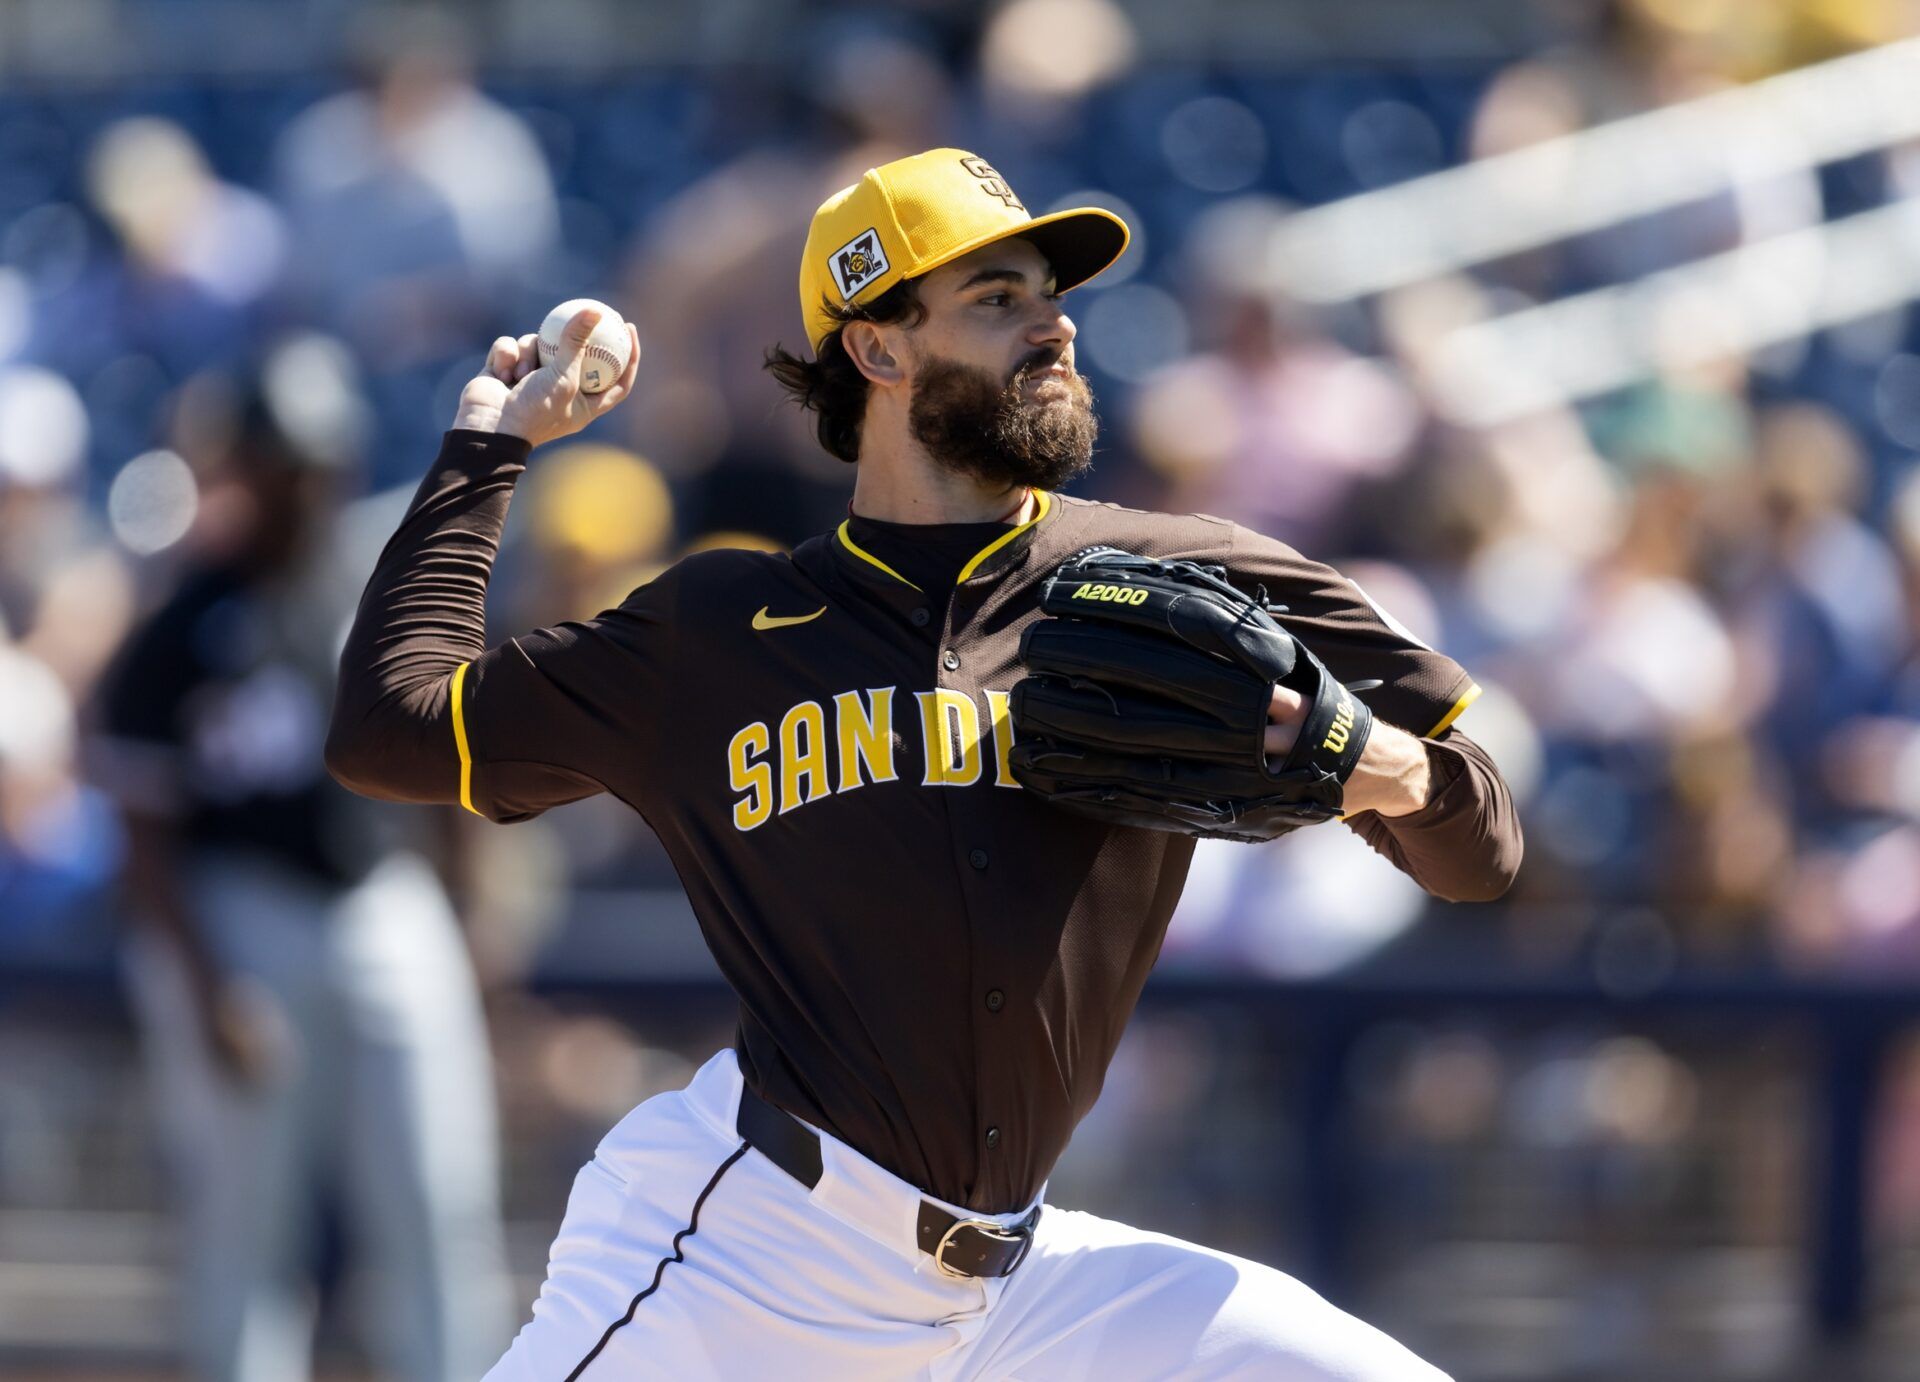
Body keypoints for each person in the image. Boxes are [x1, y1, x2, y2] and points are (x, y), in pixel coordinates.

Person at [327, 148, 1521, 1380]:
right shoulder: (721, 630)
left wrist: (1385, 768)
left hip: (1020, 1288)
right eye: (997, 299)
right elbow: (390, 729)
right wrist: (493, 442)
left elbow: (1485, 851)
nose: (1054, 326)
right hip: (755, 1249)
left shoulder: (1189, 575)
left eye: (1053, 295)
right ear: (879, 349)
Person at [96, 385, 509, 1381]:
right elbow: (143, 835)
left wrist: (469, 912)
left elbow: (450, 757)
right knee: (247, 1216)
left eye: (309, 464)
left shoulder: (370, 588)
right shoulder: (186, 622)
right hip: (244, 914)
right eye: (281, 464)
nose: (300, 485)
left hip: (385, 901)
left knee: (439, 1195)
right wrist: (201, 983)